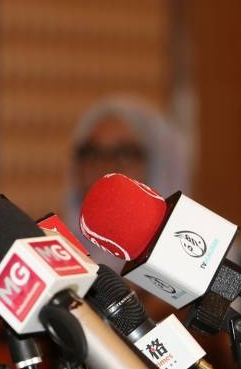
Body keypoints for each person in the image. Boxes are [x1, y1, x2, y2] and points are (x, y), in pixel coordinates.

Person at [62, 94, 191, 269]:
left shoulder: (202, 258)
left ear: (161, 166)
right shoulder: (56, 256)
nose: (105, 168)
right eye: (93, 153)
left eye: (124, 154)